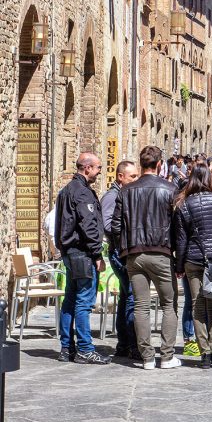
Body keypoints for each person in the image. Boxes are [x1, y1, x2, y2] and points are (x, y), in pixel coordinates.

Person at [110, 144, 180, 371]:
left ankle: (147, 357)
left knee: (141, 306)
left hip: (134, 254)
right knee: (168, 305)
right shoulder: (169, 189)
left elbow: (115, 226)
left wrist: (124, 249)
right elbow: (178, 226)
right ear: (160, 164)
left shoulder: (126, 191)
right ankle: (167, 356)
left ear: (141, 165)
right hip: (161, 252)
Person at [174, 161, 212, 369]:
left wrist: (179, 264)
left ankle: (204, 353)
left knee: (197, 305)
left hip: (193, 259)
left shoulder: (184, 204)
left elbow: (181, 239)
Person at [54, 152, 109, 364]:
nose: (99, 172)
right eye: (97, 168)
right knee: (84, 302)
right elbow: (88, 225)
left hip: (69, 252)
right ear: (86, 168)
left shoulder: (66, 190)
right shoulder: (82, 193)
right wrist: (97, 253)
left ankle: (67, 347)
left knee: (69, 300)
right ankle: (85, 349)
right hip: (82, 253)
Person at [101, 159, 139, 360]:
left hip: (122, 251)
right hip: (119, 253)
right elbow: (107, 225)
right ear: (120, 176)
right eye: (132, 176)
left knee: (126, 296)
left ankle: (123, 344)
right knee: (132, 296)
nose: (135, 179)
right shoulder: (112, 196)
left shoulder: (123, 194)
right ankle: (132, 344)